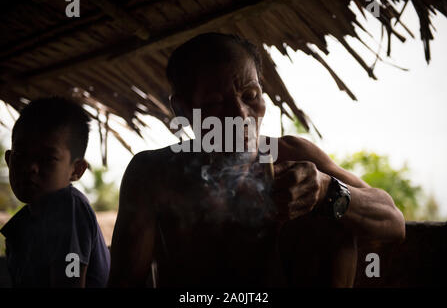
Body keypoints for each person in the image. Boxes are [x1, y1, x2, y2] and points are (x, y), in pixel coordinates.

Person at [108, 33, 405, 287]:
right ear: (183, 110)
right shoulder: (154, 174)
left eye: (250, 94)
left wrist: (327, 190)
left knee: (331, 218)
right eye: (214, 103)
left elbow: (393, 224)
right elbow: (125, 282)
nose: (239, 114)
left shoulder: (293, 156)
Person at [1, 97, 110, 287]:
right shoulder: (20, 227)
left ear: (76, 170)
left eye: (48, 158)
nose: (30, 167)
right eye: (21, 155)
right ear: (9, 160)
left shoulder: (70, 209)